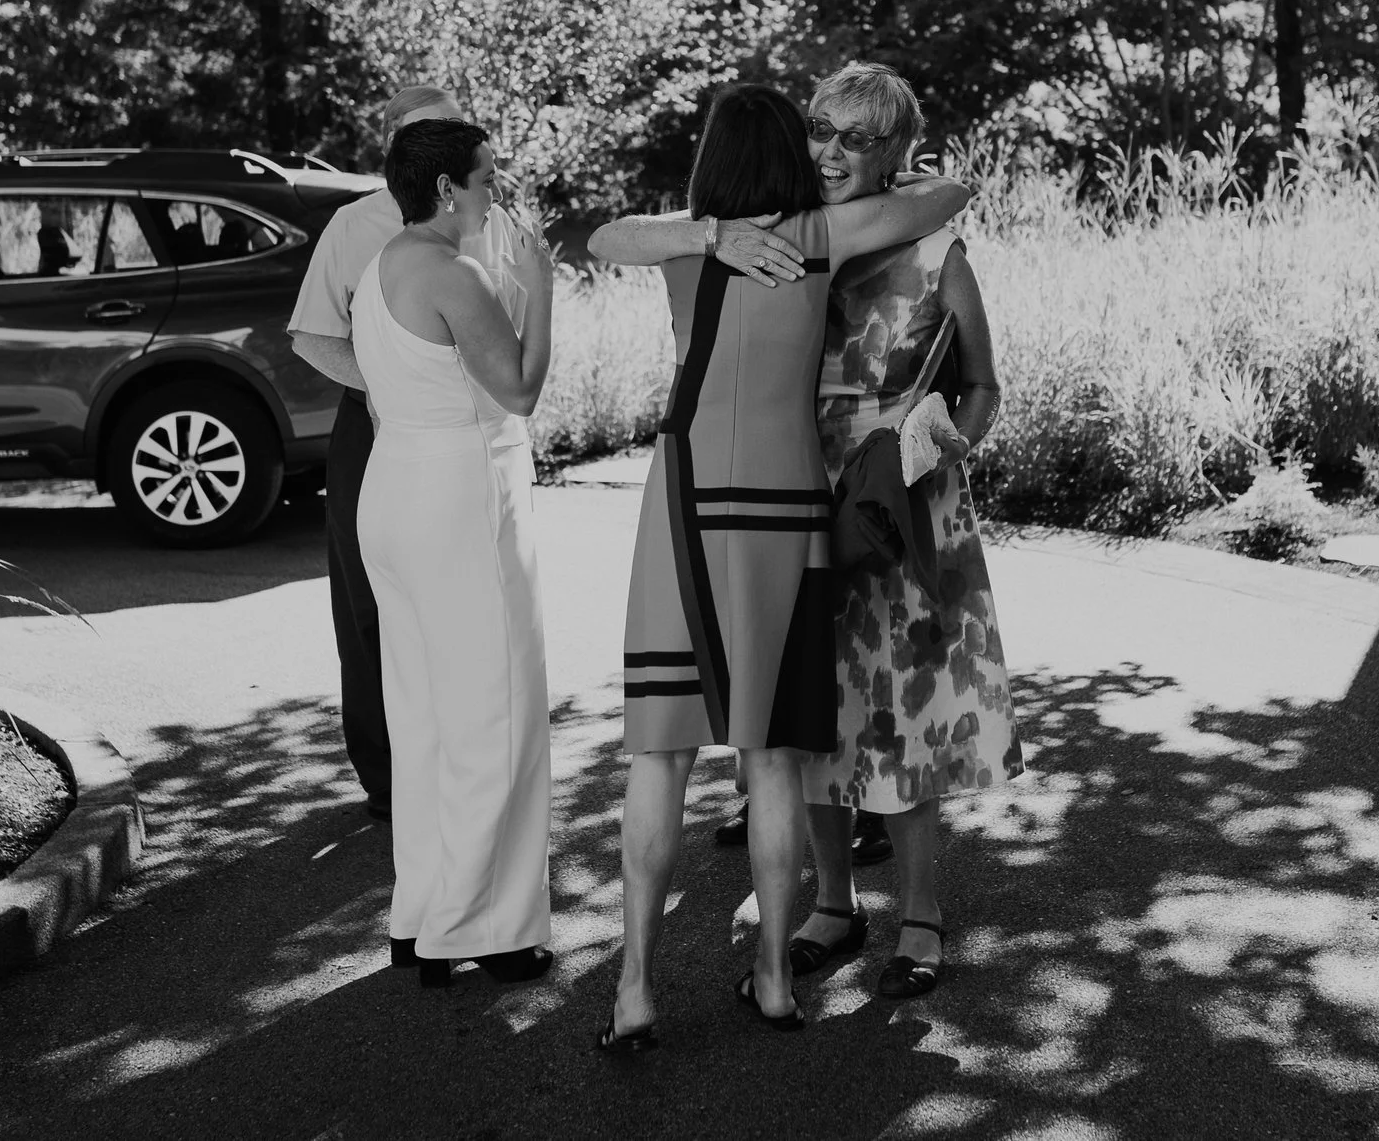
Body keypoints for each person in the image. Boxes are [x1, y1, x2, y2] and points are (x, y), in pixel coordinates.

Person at [586, 84, 974, 1052]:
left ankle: (634, 987)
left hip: (679, 505)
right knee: (771, 757)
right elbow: (950, 192)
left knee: (659, 752)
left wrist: (706, 232)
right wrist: (901, 166)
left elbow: (600, 236)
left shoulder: (683, 240)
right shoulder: (817, 235)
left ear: (712, 161)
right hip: (786, 508)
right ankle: (769, 978)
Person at [785, 62, 1024, 1000]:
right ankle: (834, 902)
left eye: (856, 138)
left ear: (897, 154)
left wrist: (936, 441)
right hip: (804, 496)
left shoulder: (940, 255)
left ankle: (920, 913)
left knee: (911, 715)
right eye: (820, 130)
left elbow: (985, 386)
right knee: (814, 713)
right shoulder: (790, 244)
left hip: (909, 502)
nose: (831, 153)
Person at [352, 117, 557, 987]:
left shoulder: (381, 265)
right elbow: (518, 389)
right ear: (446, 189)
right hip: (462, 497)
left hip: (393, 487)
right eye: (486, 179)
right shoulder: (455, 271)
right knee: (495, 716)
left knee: (425, 719)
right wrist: (539, 289)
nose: (495, 194)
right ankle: (492, 928)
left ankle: (421, 916)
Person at [290, 86, 526, 823]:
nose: (440, 152)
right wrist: (395, 383)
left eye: (452, 134)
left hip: (473, 430)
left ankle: (469, 763)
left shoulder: (490, 221)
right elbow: (311, 333)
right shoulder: (352, 224)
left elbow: (507, 332)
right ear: (394, 149)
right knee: (368, 604)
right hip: (373, 424)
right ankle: (387, 778)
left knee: (474, 605)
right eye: (424, 137)